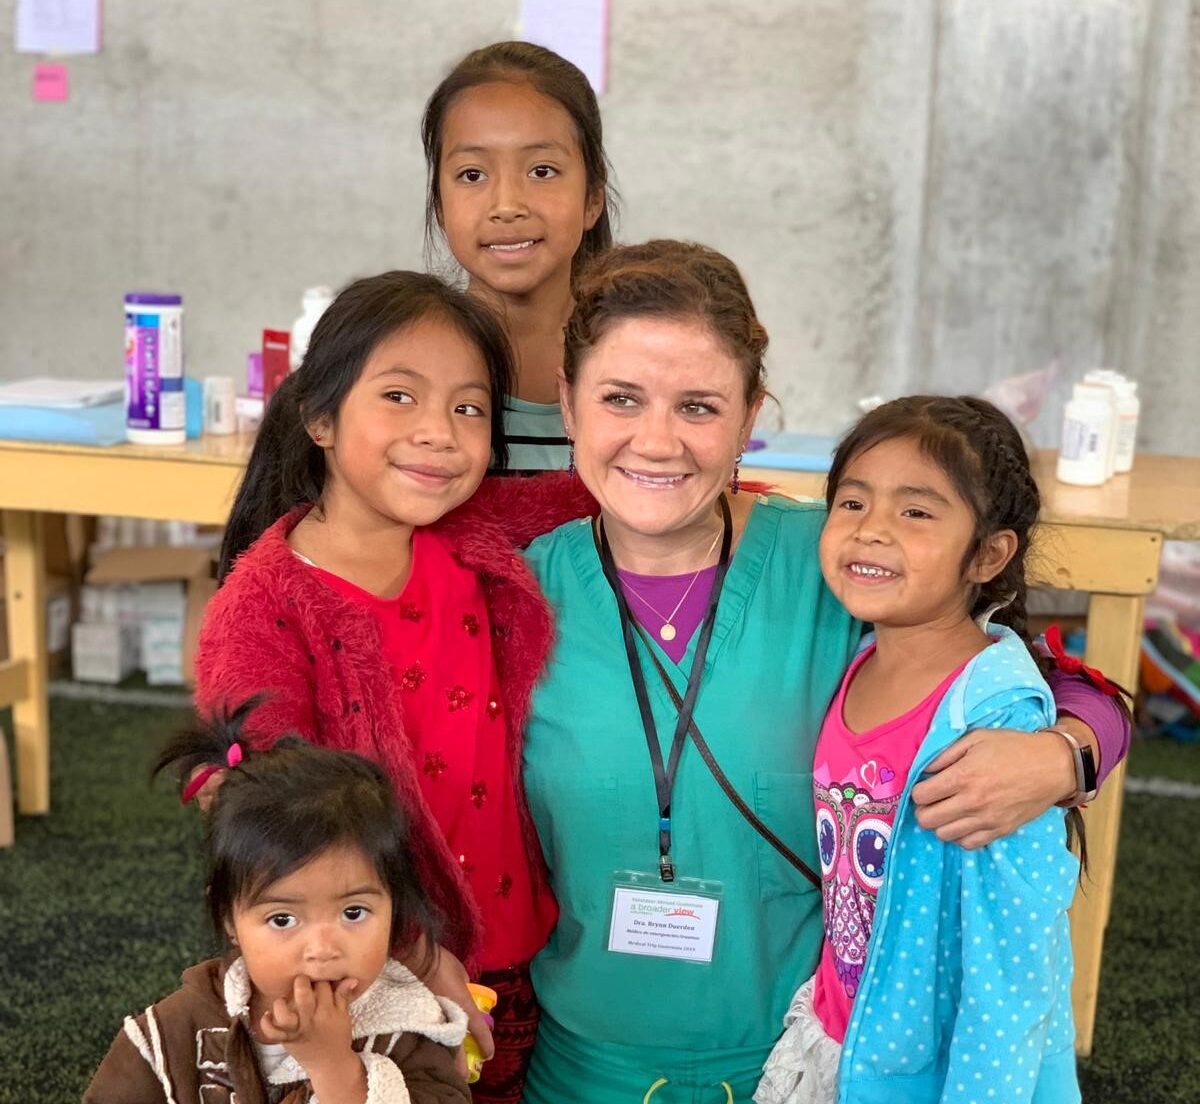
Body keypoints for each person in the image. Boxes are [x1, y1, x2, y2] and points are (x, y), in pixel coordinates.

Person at [515, 240, 1130, 1103]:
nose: (657, 440)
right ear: (568, 404)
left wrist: (1059, 757)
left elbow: (1070, 688)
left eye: (698, 406)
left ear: (749, 415)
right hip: (578, 1071)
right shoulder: (516, 592)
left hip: (802, 1068)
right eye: (620, 399)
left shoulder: (842, 559)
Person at [193, 270, 591, 1102]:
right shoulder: (263, 605)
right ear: (321, 417)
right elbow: (275, 829)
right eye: (400, 398)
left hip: (517, 943)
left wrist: (733, 492)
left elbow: (611, 493)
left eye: (468, 407)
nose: (440, 433)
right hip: (368, 972)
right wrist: (414, 953)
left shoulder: (474, 531)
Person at [755, 396, 1114, 1103]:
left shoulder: (997, 723)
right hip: (841, 1033)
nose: (872, 532)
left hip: (942, 1068)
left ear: (988, 554)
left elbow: (1011, 977)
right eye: (853, 503)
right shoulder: (856, 659)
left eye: (916, 512)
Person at [84, 702, 470, 1104]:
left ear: (395, 907)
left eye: (353, 912)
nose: (323, 950)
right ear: (229, 919)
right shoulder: (176, 1030)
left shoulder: (413, 1032)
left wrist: (335, 1069)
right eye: (283, 919)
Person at [421, 41, 616, 471]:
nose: (507, 205)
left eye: (541, 171)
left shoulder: (633, 361)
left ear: (592, 198)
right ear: (439, 204)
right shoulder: (404, 367)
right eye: (472, 174)